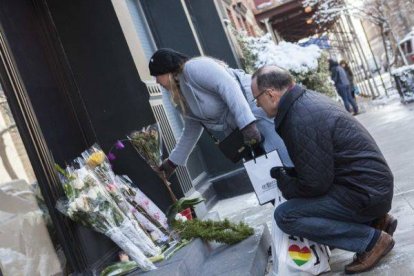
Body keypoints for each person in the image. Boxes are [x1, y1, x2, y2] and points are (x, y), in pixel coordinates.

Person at [251, 65, 396, 274]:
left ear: (271, 94)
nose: (257, 104)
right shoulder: (306, 101)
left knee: (286, 215)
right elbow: (317, 167)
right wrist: (291, 176)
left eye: (257, 99)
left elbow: (315, 185)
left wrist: (286, 183)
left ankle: (371, 241)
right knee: (300, 203)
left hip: (366, 194)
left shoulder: (299, 118)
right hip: (371, 188)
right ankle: (376, 221)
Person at [148, 48, 289, 178]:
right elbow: (191, 128)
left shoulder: (193, 68)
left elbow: (229, 87)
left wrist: (247, 125)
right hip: (240, 130)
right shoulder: (180, 92)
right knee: (265, 176)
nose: (156, 81)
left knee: (284, 160)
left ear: (166, 70)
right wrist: (172, 162)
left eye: (156, 75)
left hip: (254, 111)